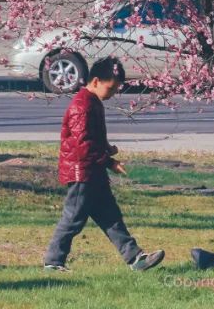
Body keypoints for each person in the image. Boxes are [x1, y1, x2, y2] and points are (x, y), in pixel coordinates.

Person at [43, 56, 164, 272]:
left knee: (110, 216)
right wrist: (109, 162)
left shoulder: (92, 102)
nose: (113, 93)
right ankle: (53, 261)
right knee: (73, 218)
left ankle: (135, 258)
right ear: (96, 81)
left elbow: (92, 138)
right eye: (111, 88)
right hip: (83, 173)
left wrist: (107, 148)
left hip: (93, 171)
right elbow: (83, 145)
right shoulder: (82, 106)